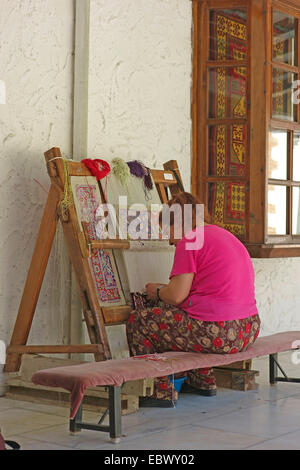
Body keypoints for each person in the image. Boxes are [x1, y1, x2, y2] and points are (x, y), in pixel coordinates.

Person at [126, 192, 260, 407]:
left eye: (167, 232)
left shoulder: (189, 240)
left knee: (140, 321)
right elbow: (197, 294)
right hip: (247, 330)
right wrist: (166, 291)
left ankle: (159, 390)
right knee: (185, 320)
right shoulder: (223, 235)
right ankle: (202, 381)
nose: (169, 240)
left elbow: (176, 295)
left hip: (221, 333)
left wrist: (156, 292)